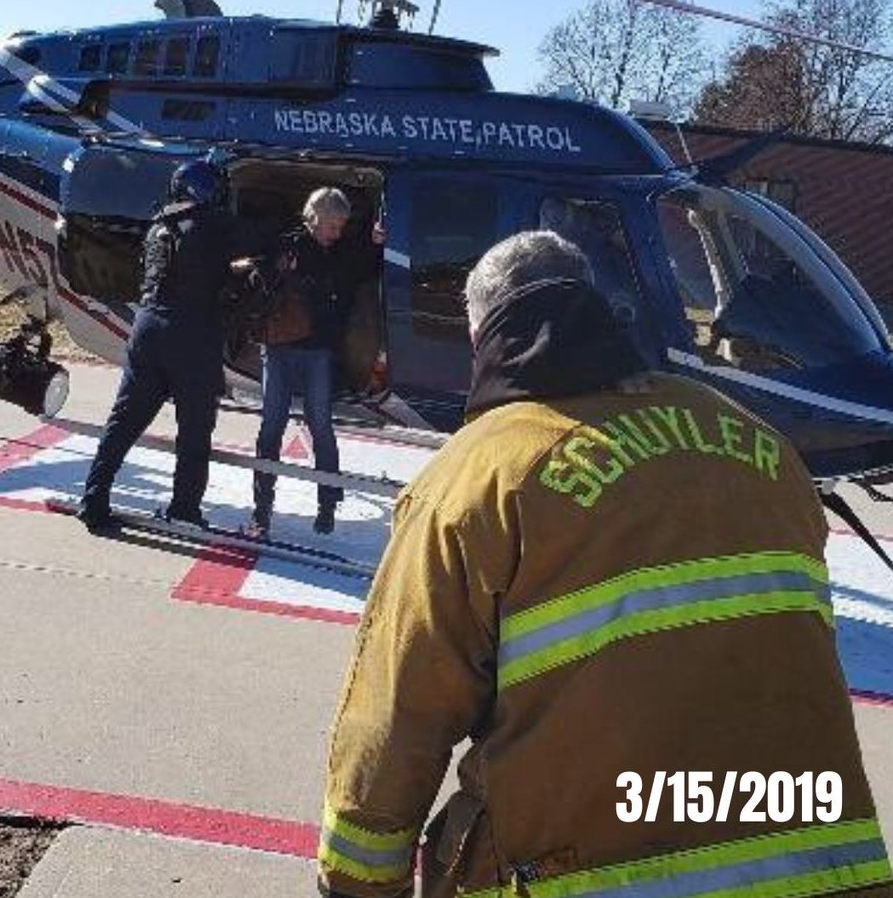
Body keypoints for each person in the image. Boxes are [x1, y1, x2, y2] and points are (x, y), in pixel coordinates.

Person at [318, 230, 890, 898]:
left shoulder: (476, 479)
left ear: (481, 340)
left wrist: (356, 881)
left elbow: (400, 712)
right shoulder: (757, 446)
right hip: (820, 865)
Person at [78, 158, 246, 531]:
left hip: (147, 327)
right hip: (191, 334)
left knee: (123, 422)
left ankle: (93, 499)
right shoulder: (212, 224)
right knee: (195, 428)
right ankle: (184, 508)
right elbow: (246, 246)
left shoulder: (159, 225)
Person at [247, 187, 384, 538]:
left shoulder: (342, 253)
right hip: (280, 347)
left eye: (340, 226)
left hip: (319, 349)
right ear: (314, 219)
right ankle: (262, 510)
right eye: (331, 226)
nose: (335, 233)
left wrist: (376, 242)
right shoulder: (287, 246)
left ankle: (327, 504)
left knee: (320, 425)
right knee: (271, 426)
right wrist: (278, 270)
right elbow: (257, 275)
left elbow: (365, 266)